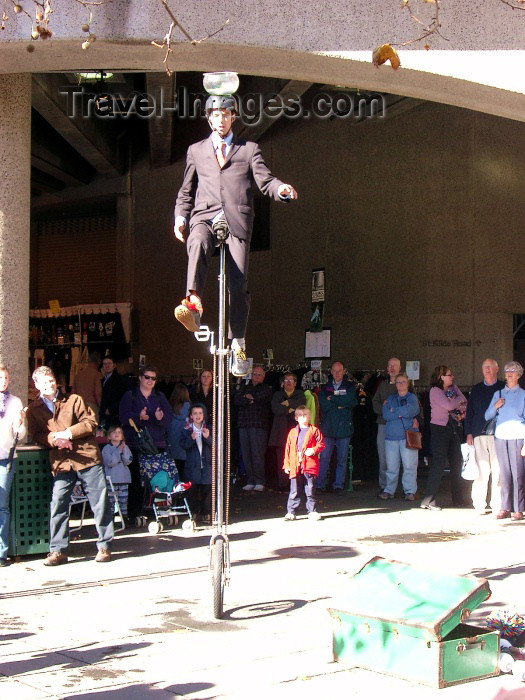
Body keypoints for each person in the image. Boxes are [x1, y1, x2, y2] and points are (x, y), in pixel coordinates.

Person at [173, 94, 298, 376]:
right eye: (216, 115)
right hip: (205, 214)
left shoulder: (248, 149)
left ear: (233, 118)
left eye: (227, 114)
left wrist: (281, 190)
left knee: (238, 282)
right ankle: (193, 303)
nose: (221, 119)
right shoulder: (196, 150)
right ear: (209, 118)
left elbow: (265, 181)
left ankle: (238, 342)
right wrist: (181, 216)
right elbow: (186, 190)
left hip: (237, 220)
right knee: (197, 241)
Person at [26, 366, 114, 565]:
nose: (50, 384)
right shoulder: (33, 409)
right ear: (37, 385)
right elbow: (36, 434)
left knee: (99, 503)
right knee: (58, 503)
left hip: (87, 457)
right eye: (45, 382)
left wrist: (68, 433)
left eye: (52, 380)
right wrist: (53, 439)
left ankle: (105, 545)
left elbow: (90, 421)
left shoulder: (74, 400)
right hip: (62, 462)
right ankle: (58, 550)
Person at [420, 365, 467, 511]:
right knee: (438, 464)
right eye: (449, 375)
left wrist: (459, 403)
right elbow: (448, 405)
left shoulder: (454, 388)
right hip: (439, 429)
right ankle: (428, 500)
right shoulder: (435, 391)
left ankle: (458, 498)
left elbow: (465, 402)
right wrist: (457, 402)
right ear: (441, 377)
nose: (452, 377)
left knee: (456, 463)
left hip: (454, 428)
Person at [485, 361, 525, 521]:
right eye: (507, 370)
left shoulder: (523, 395)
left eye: (513, 370)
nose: (509, 372)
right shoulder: (498, 394)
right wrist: (495, 406)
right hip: (501, 436)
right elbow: (487, 416)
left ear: (519, 375)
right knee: (504, 473)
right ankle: (505, 507)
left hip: (517, 435)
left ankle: (519, 508)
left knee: (518, 474)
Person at [465, 358, 505, 515]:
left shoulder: (503, 387)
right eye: (484, 367)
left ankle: (497, 504)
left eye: (489, 367)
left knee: (498, 470)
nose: (486, 370)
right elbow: (470, 412)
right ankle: (479, 504)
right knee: (481, 470)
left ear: (497, 369)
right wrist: (468, 432)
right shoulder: (476, 389)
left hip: (499, 434)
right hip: (478, 433)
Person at [316, 361, 358, 493]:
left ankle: (338, 485)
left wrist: (332, 399)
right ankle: (319, 485)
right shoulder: (325, 387)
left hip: (344, 428)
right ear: (331, 372)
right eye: (335, 371)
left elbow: (350, 402)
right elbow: (324, 405)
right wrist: (340, 404)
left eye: (339, 371)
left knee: (341, 459)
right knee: (324, 459)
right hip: (328, 428)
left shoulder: (350, 386)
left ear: (344, 371)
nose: (337, 373)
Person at [0, 365, 26, 567]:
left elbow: (21, 435)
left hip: (6, 457)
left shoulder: (15, 402)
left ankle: (1, 551)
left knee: (2, 505)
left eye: (6, 377)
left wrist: (19, 423)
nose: (4, 381)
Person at [380, 372, 420, 501]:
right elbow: (385, 414)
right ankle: (389, 490)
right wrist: (401, 413)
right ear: (395, 384)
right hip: (391, 437)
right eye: (398, 382)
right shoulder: (390, 398)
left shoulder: (412, 398)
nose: (400, 384)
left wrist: (394, 411)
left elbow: (412, 410)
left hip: (408, 436)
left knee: (409, 466)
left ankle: (410, 491)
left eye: (403, 382)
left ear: (407, 384)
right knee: (391, 467)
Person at [233, 365, 272, 492]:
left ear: (264, 376)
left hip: (258, 424)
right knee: (246, 454)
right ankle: (250, 480)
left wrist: (247, 398)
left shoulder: (267, 388)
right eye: (254, 374)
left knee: (257, 454)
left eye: (259, 374)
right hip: (243, 423)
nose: (256, 376)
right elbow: (236, 400)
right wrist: (246, 398)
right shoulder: (244, 386)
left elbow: (259, 398)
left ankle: (260, 481)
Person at [283, 406, 325, 521]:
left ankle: (312, 511)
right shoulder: (292, 432)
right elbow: (287, 449)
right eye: (300, 415)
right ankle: (291, 511)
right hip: (295, 464)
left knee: (310, 488)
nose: (303, 417)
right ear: (296, 417)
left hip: (309, 465)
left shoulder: (314, 430)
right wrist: (286, 464)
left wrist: (313, 450)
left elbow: (321, 444)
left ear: (309, 416)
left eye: (305, 414)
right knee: (294, 489)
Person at [119, 365, 173, 449]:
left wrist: (160, 418)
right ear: (140, 378)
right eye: (147, 377)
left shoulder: (160, 396)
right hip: (135, 444)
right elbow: (123, 417)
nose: (150, 380)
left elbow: (169, 416)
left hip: (157, 444)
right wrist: (138, 417)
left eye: (153, 378)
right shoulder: (129, 395)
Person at [268, 373, 306, 491]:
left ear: (295, 383)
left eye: (291, 380)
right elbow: (275, 408)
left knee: (297, 457)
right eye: (286, 380)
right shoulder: (278, 394)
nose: (288, 382)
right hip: (280, 431)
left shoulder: (300, 393)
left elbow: (301, 404)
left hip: (296, 431)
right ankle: (283, 484)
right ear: (282, 383)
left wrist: (287, 403)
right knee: (282, 458)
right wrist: (290, 409)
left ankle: (296, 484)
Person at [372, 357, 401, 495]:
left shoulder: (405, 384)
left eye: (394, 366)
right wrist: (385, 412)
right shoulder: (383, 385)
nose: (392, 368)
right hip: (384, 424)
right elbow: (375, 403)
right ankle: (384, 486)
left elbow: (412, 403)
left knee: (402, 458)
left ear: (400, 368)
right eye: (390, 366)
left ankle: (399, 486)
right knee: (383, 457)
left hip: (400, 426)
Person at [180, 403, 212, 523]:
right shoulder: (186, 429)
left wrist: (208, 437)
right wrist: (191, 438)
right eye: (195, 413)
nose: (198, 416)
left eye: (200, 413)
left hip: (206, 465)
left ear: (204, 415)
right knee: (191, 491)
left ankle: (206, 513)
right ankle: (192, 513)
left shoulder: (208, 428)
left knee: (207, 490)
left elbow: (215, 445)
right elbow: (182, 445)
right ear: (191, 416)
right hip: (192, 466)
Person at [101, 425, 132, 519]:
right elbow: (109, 462)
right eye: (114, 432)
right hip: (111, 479)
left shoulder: (125, 447)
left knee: (123, 500)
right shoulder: (106, 448)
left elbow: (128, 460)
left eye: (119, 432)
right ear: (109, 436)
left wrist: (123, 451)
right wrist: (118, 451)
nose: (117, 434)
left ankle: (124, 517)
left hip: (123, 478)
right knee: (111, 500)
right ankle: (110, 518)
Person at [98, 356, 130, 432]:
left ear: (114, 365)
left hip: (114, 414)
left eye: (109, 363)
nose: (107, 366)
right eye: (105, 364)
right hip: (103, 414)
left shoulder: (120, 380)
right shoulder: (102, 380)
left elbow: (124, 398)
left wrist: (112, 409)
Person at [166, 382, 191, 474]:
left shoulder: (169, 407)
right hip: (184, 447)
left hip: (170, 446)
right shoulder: (189, 409)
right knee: (183, 473)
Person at [71, 350, 102, 420]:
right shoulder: (98, 375)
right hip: (92, 407)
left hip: (78, 407)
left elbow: (73, 393)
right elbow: (98, 394)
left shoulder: (78, 374)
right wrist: (103, 408)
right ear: (99, 361)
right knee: (93, 429)